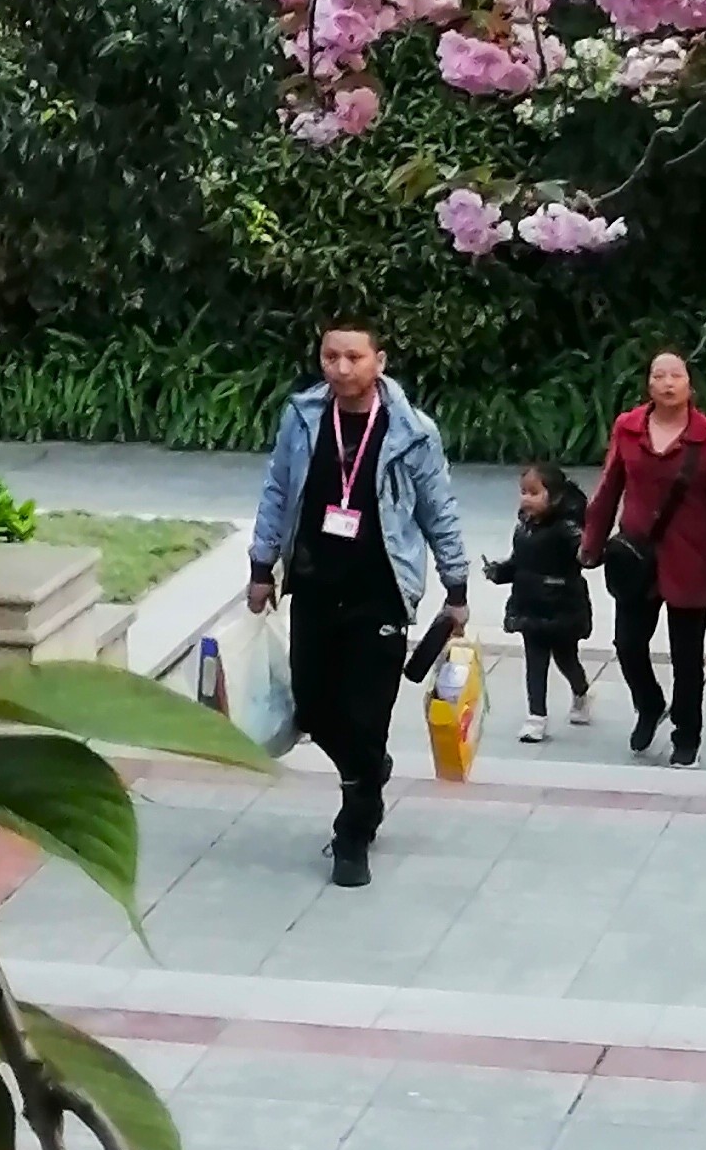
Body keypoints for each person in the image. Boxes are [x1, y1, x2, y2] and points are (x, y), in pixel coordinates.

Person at [244, 321, 470, 890]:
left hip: (380, 591)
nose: (341, 368)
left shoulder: (412, 432)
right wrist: (260, 565)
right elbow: (277, 490)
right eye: (330, 357)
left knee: (368, 714)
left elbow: (438, 508)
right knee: (314, 708)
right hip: (316, 584)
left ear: (379, 361)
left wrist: (457, 585)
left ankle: (354, 830)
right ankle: (368, 771)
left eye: (354, 357)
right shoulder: (301, 417)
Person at [586, 349, 706, 762]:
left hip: (690, 559)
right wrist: (591, 543)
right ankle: (649, 704)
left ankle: (686, 736)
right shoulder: (628, 429)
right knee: (627, 643)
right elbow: (608, 489)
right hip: (637, 556)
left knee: (687, 656)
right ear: (649, 384)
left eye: (676, 375)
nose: (668, 382)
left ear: (689, 385)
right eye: (659, 375)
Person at [490, 462, 595, 742]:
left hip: (561, 605)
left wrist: (592, 552)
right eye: (523, 491)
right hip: (530, 604)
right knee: (535, 662)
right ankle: (536, 716)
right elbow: (519, 563)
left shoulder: (567, 528)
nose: (526, 498)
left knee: (566, 659)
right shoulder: (524, 527)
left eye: (534, 492)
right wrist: (500, 572)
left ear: (556, 496)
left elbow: (586, 553)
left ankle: (581, 691)